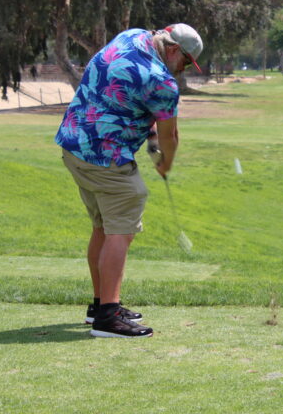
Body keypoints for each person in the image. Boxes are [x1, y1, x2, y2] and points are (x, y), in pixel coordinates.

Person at [55, 24, 203, 338]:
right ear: (174, 49)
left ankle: (100, 304)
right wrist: (166, 164)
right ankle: (108, 318)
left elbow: (121, 90)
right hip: (104, 156)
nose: (183, 69)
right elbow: (171, 137)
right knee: (121, 227)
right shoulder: (162, 81)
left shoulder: (131, 36)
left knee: (104, 227)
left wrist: (147, 137)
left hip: (73, 144)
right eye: (187, 62)